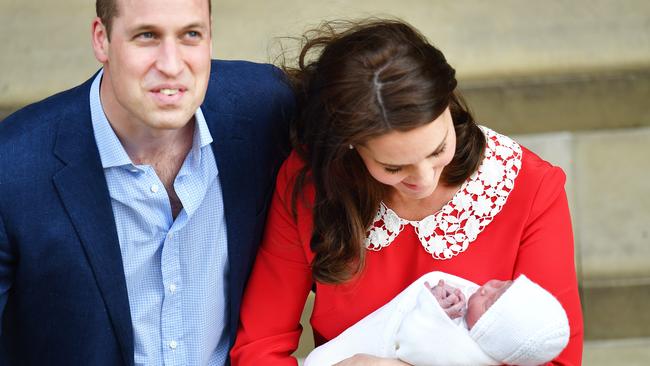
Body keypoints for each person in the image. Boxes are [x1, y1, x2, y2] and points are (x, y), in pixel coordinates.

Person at [230, 18, 583, 366]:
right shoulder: (310, 185)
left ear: (448, 104)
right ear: (349, 147)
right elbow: (260, 347)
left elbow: (556, 360)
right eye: (393, 168)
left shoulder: (530, 187)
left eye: (437, 149)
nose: (425, 179)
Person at [0, 0, 293, 364]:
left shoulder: (266, 108)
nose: (171, 65)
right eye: (147, 36)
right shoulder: (13, 167)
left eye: (190, 35)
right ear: (101, 40)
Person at [304, 272, 570, 366]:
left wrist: (433, 309)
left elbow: (415, 344)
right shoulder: (471, 321)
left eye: (490, 302)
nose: (487, 286)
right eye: (503, 284)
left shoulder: (464, 353)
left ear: (488, 335)